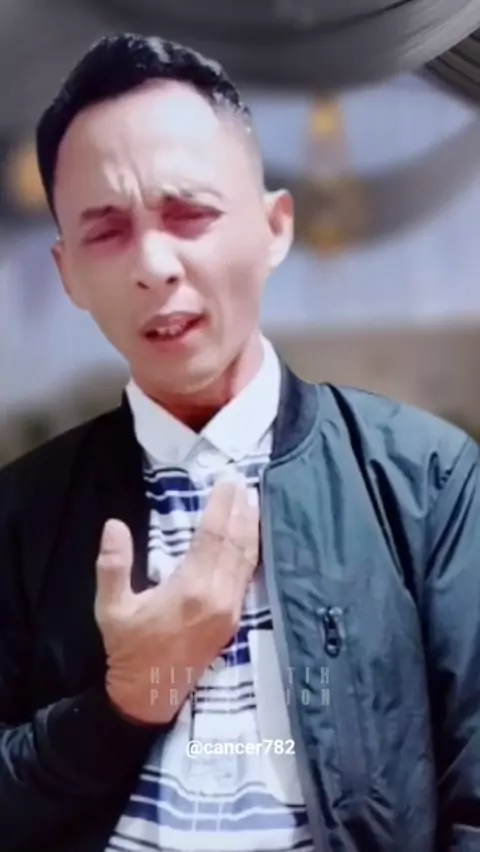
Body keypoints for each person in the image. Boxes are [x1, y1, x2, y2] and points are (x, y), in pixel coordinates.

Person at [0, 32, 479, 852]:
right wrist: (128, 699)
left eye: (189, 213)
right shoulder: (20, 515)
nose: (154, 264)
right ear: (67, 270)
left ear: (274, 227)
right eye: (106, 231)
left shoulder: (427, 481)